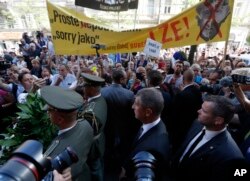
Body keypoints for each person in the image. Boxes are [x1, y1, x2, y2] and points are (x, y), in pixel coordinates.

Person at [171, 95, 247, 181]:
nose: (198, 111)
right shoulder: (197, 123)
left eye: (204, 111)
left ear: (218, 120)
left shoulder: (231, 156)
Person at [41, 86, 94, 181]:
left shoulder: (56, 156)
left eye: (49, 111)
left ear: (60, 119)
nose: (47, 113)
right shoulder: (85, 124)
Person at [120, 88, 170, 181]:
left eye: (137, 104)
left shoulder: (153, 148)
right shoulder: (150, 124)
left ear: (148, 112)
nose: (133, 107)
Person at [101, 69, 140, 179]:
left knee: (107, 151)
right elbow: (133, 116)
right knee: (121, 153)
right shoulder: (129, 94)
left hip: (106, 129)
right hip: (123, 130)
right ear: (122, 79)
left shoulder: (102, 91)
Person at [78, 73, 107, 181]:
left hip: (92, 147)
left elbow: (84, 131)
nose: (83, 88)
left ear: (92, 88)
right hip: (97, 143)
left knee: (95, 172)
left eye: (85, 86)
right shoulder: (98, 100)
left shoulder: (92, 110)